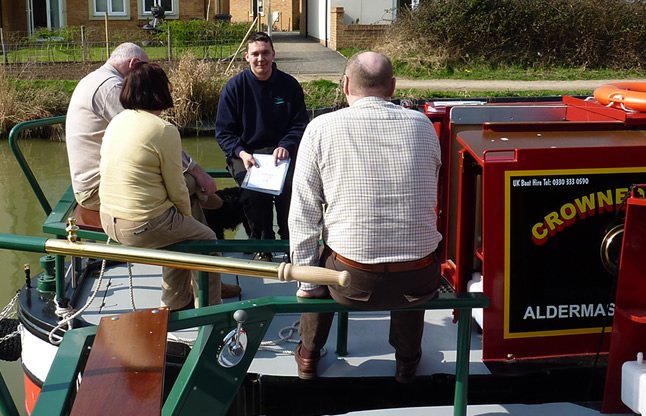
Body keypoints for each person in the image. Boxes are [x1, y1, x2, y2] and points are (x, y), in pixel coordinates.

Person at [288, 51, 443, 384]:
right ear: (393, 87)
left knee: (317, 264)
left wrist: (305, 283)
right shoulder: (423, 126)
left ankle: (309, 356)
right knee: (413, 252)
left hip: (352, 282)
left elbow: (303, 214)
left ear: (345, 84)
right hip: (418, 281)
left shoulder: (320, 128)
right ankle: (407, 361)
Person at [65, 42, 240, 298]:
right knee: (199, 231)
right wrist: (196, 184)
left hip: (110, 194)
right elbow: (171, 175)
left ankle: (180, 294)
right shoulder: (116, 93)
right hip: (103, 191)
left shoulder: (107, 97)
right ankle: (207, 302)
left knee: (185, 211)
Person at [99, 62, 223, 310]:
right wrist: (188, 219)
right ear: (161, 91)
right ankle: (209, 309)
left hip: (108, 219)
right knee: (205, 239)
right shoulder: (164, 130)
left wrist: (183, 222)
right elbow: (176, 188)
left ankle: (177, 299)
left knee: (180, 229)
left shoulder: (118, 120)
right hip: (141, 224)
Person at [215, 31, 309, 262]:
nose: (261, 59)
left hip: (282, 154)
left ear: (273, 54)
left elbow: (299, 124)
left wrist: (286, 145)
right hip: (247, 154)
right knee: (254, 195)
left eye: (265, 53)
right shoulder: (234, 88)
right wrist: (241, 152)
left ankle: (290, 244)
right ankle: (262, 245)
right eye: (255, 54)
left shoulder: (289, 86)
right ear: (246, 57)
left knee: (290, 192)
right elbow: (224, 132)